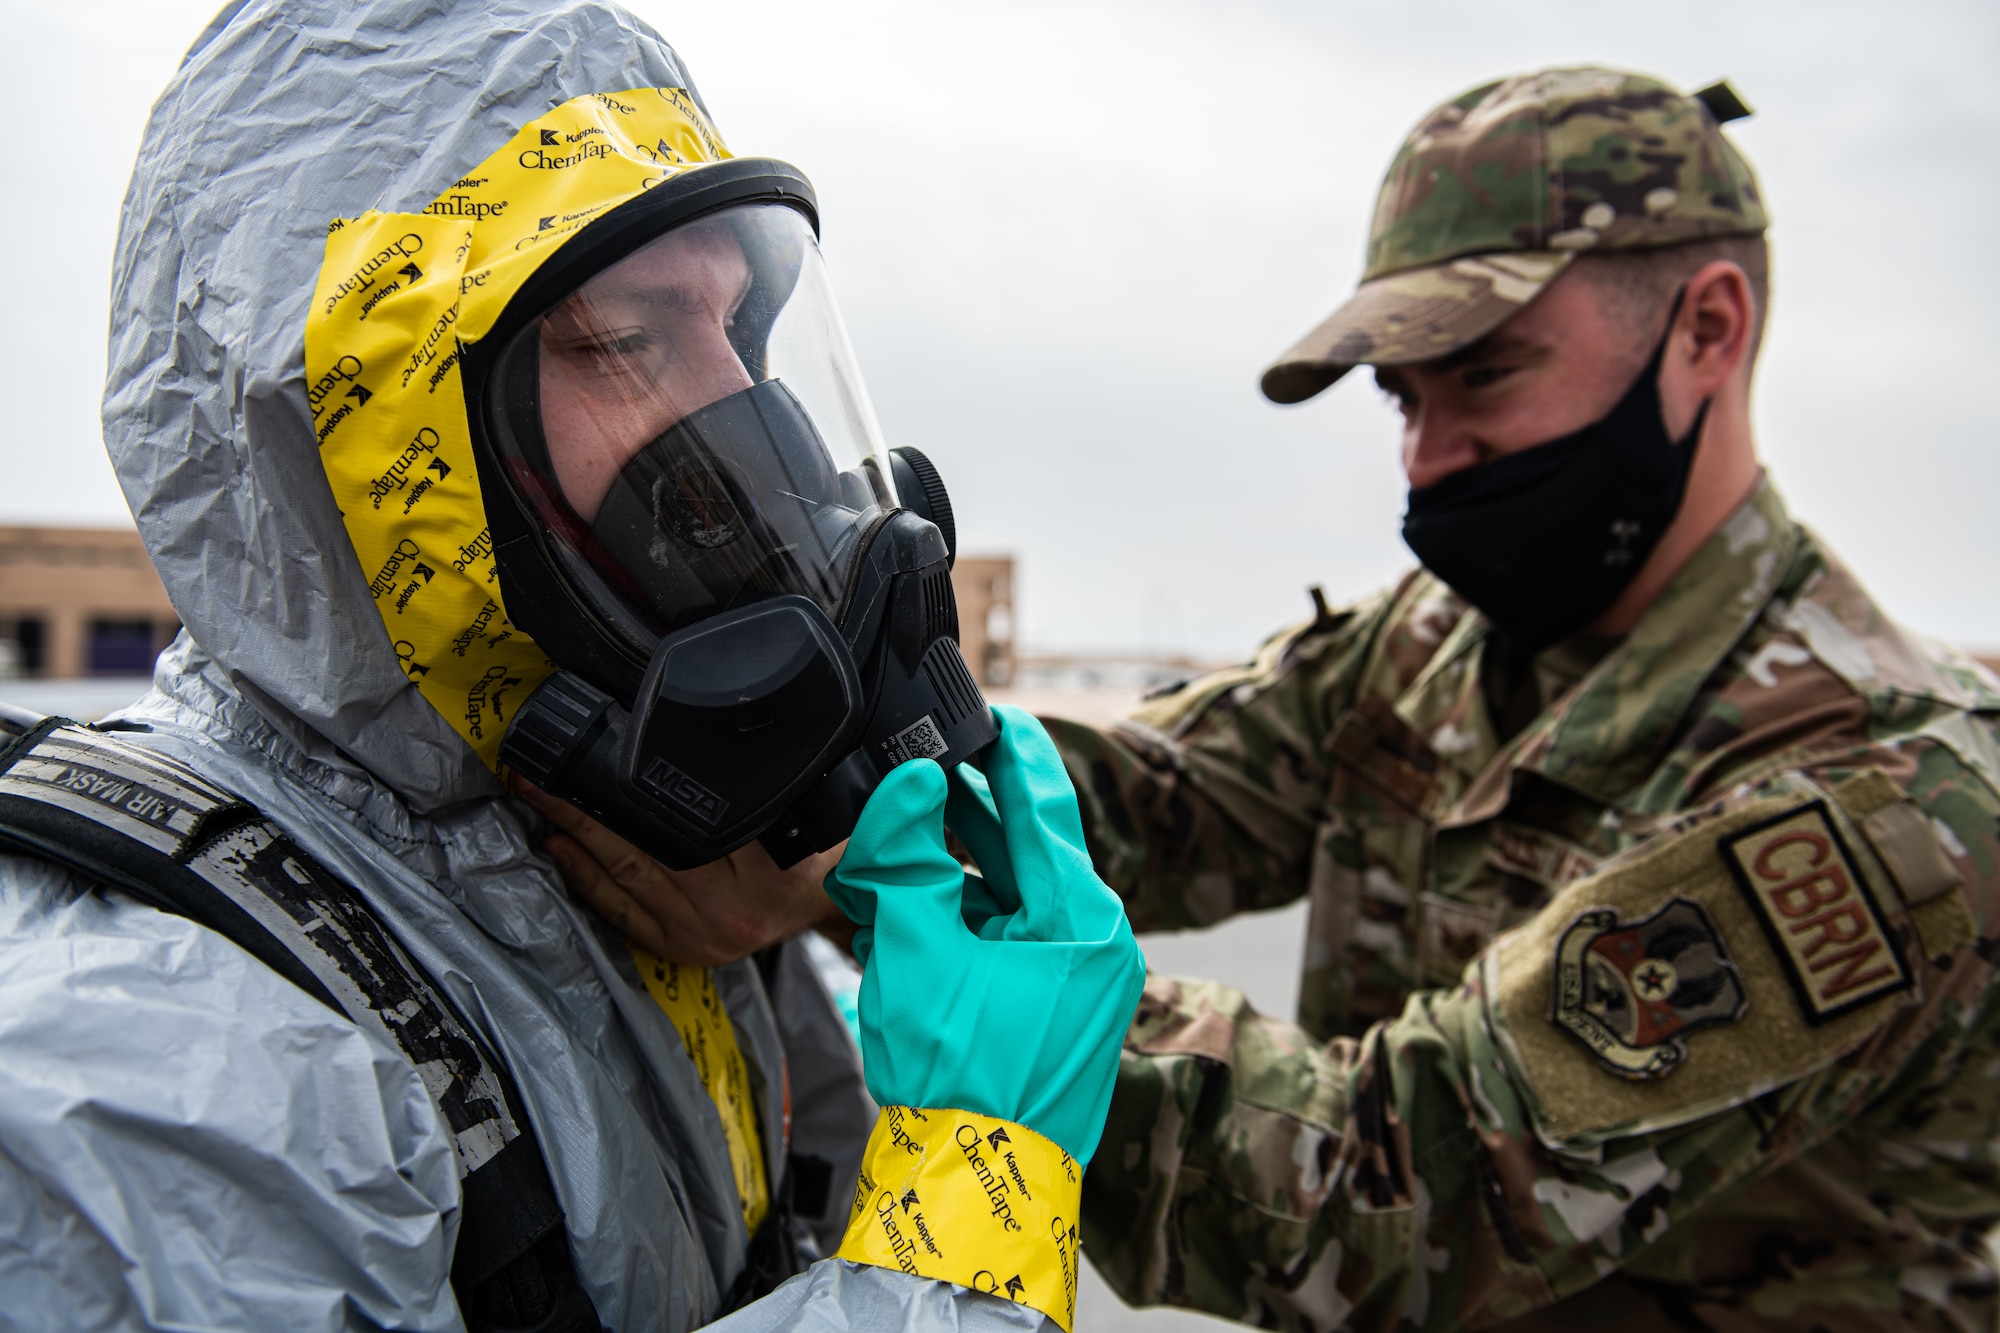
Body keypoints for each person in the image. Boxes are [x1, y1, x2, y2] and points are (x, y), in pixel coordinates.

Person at [0, 2, 1140, 1330]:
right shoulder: (142, 1081)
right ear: (367, 442)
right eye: (622, 337)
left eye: (740, 331)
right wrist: (964, 1226)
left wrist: (809, 932)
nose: (754, 426)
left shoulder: (633, 865)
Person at [1051, 67, 2000, 1329]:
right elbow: (1141, 801)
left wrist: (1014, 1002)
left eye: (1484, 375)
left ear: (1706, 331)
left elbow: (1390, 1194)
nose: (1425, 458)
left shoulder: (1877, 799)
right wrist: (868, 763)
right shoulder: (1436, 640)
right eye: (1402, 395)